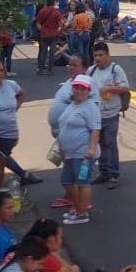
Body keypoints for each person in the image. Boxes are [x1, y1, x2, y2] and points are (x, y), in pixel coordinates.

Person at [0, 57, 41, 189]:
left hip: (9, 132)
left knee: (0, 158)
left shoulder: (11, 84)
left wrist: (16, 108)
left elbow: (21, 95)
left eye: (1, 70)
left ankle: (19, 177)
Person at [56, 74, 100, 225]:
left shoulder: (90, 107)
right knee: (67, 181)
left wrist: (92, 148)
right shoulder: (74, 104)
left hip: (83, 153)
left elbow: (95, 129)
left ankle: (82, 213)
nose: (79, 91)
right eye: (76, 88)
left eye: (82, 89)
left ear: (88, 91)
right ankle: (77, 207)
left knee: (83, 183)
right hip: (70, 153)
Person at [88, 41, 130, 189]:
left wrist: (109, 88)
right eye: (95, 55)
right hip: (95, 114)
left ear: (107, 55)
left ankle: (113, 175)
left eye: (101, 55)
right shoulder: (91, 71)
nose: (98, 58)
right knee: (100, 145)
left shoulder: (115, 69)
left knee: (110, 143)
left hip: (111, 113)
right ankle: (103, 172)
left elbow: (125, 87)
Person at [35, 0, 63, 74]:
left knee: (43, 52)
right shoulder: (56, 12)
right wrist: (59, 30)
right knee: (52, 52)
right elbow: (61, 23)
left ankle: (40, 69)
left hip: (44, 34)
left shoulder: (42, 11)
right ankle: (50, 69)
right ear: (54, 2)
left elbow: (38, 22)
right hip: (53, 34)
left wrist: (41, 29)